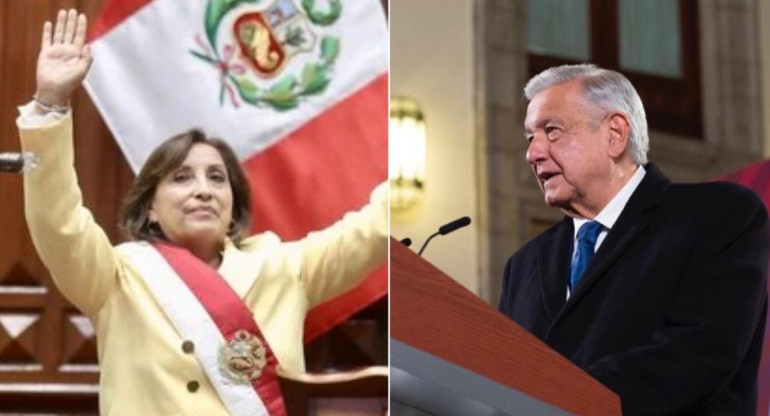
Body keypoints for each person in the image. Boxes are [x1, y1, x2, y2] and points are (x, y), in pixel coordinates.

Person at [19, 9, 387, 416]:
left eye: (217, 178)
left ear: (232, 208)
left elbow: (373, 230)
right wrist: (49, 105)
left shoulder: (285, 268)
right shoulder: (115, 276)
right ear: (151, 210)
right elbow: (59, 222)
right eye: (181, 178)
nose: (203, 191)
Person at [498, 64, 769, 415]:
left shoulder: (718, 216)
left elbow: (699, 354)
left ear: (615, 134)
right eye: (530, 137)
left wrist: (562, 395)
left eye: (551, 131)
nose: (533, 153)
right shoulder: (523, 266)